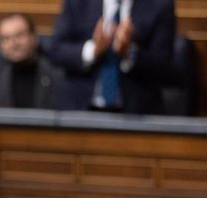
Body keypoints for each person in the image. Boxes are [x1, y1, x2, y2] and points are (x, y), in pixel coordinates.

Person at [48, 0, 176, 114]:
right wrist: (93, 50)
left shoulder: (160, 4)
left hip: (136, 113)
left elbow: (163, 65)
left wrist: (130, 54)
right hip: (79, 109)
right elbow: (56, 50)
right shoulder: (78, 2)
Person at [0, 13, 62, 109]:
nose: (13, 43)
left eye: (19, 35)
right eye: (5, 38)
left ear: (34, 38)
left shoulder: (56, 74)